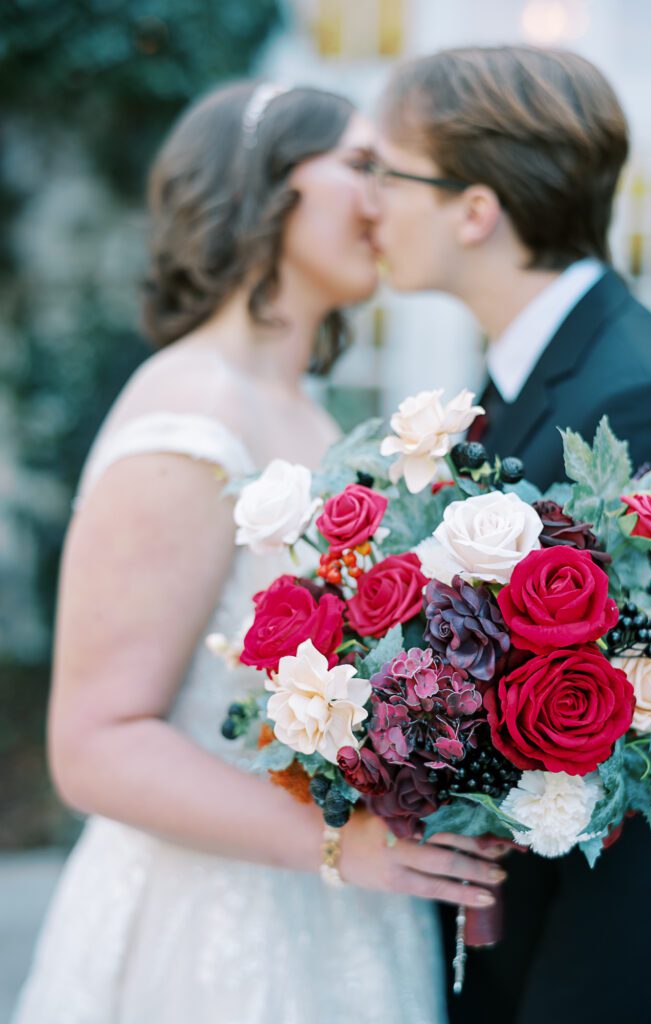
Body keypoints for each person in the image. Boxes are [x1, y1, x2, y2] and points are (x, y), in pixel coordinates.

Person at [12, 80, 510, 1024]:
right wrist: (340, 847)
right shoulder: (187, 417)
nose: (386, 199)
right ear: (265, 185)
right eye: (362, 166)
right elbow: (92, 745)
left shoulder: (309, 414)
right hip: (205, 935)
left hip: (349, 923)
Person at [372, 45, 651, 1024]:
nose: (369, 202)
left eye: (387, 170)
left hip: (610, 977)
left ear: (474, 210)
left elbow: (644, 784)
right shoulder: (536, 373)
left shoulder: (639, 404)